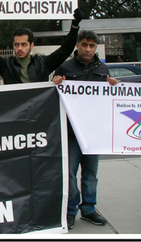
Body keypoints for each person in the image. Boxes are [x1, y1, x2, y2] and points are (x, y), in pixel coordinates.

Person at [51, 29, 119, 229]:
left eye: (91, 46)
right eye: (84, 45)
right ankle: (70, 211)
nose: (88, 49)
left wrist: (114, 88)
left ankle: (88, 209)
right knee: (70, 175)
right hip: (72, 133)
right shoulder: (64, 67)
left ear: (95, 48)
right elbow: (54, 98)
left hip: (94, 134)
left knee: (90, 175)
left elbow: (108, 101)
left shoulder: (103, 70)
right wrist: (53, 85)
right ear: (77, 45)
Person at [0, 8, 83, 84]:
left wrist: (74, 27)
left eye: (24, 44)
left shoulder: (43, 64)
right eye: (16, 44)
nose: (19, 48)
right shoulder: (6, 66)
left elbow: (65, 50)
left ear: (32, 45)